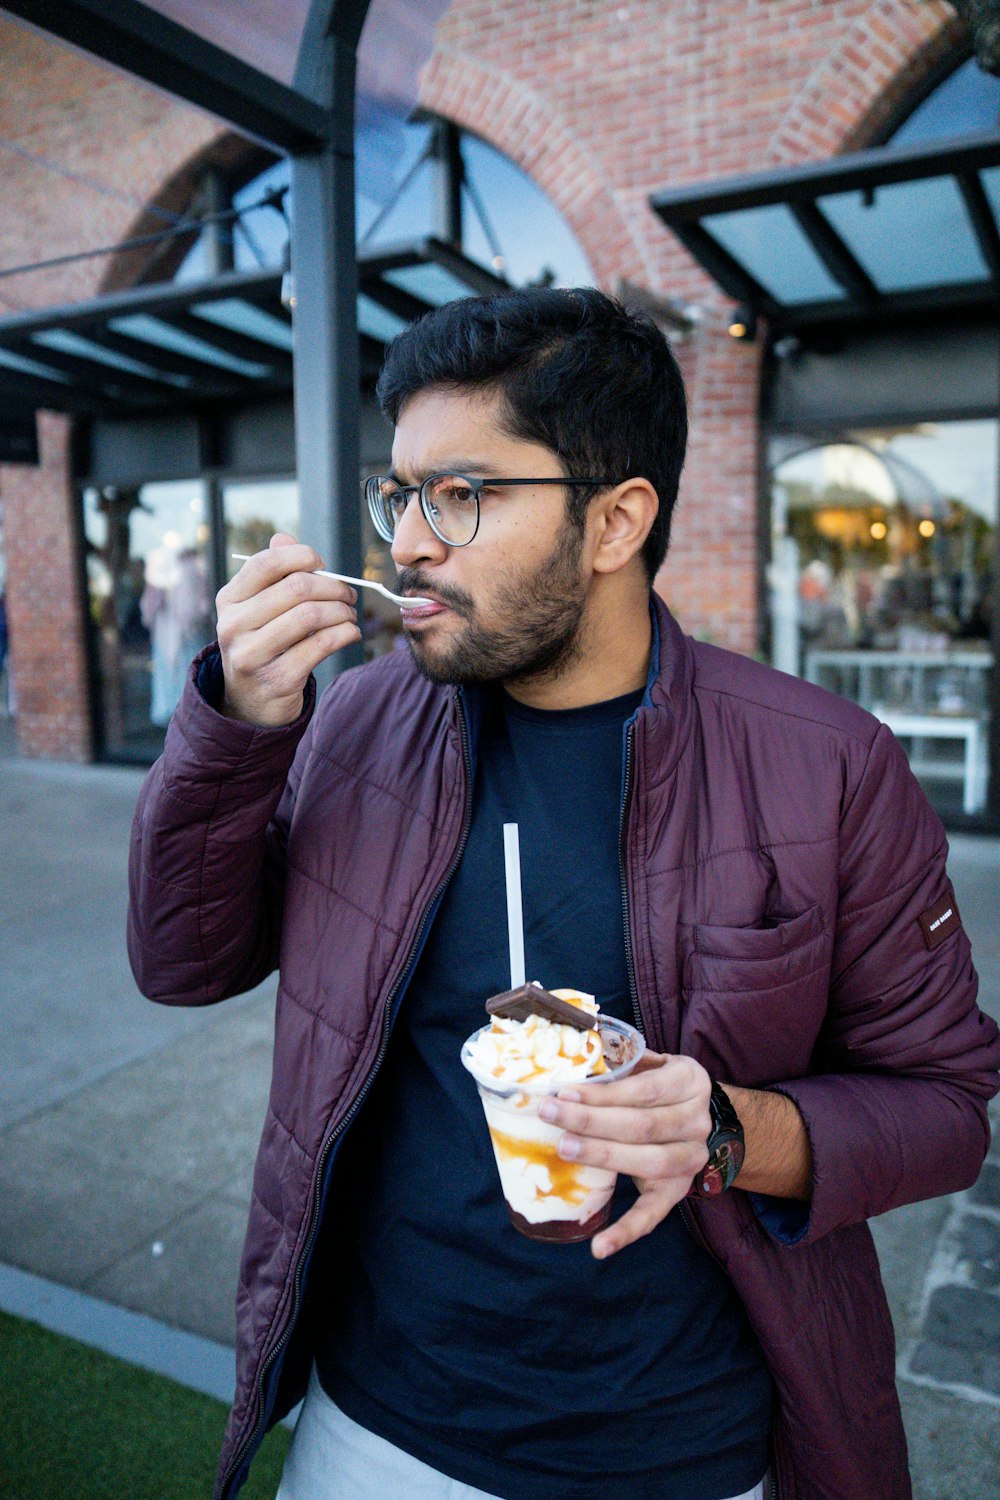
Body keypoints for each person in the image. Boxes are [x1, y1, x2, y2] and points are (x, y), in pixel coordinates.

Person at [127, 288, 1000, 1500]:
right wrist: (234, 729)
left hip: (682, 1446)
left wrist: (729, 1129)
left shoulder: (828, 765)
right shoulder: (361, 721)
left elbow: (950, 1108)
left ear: (615, 521)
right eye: (402, 494)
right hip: (377, 1422)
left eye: (463, 495)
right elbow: (184, 962)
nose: (410, 542)